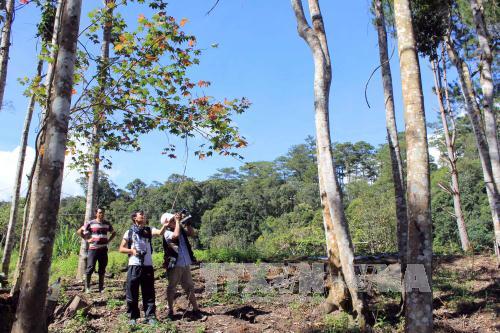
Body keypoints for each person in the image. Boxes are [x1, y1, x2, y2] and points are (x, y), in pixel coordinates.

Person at [119, 210, 167, 325]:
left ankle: (150, 316)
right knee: (132, 291)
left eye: (144, 215)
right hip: (134, 265)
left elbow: (160, 232)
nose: (144, 216)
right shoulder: (129, 232)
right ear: (135, 218)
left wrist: (164, 225)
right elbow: (121, 248)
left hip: (147, 266)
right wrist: (131, 250)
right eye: (141, 215)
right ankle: (132, 317)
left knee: (149, 292)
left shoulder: (149, 230)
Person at [161, 211, 204, 320]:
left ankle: (196, 309)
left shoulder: (179, 228)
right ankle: (170, 311)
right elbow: (175, 236)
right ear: (166, 223)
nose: (174, 221)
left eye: (173, 219)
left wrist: (188, 223)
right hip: (175, 264)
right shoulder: (167, 232)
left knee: (189, 287)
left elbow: (191, 233)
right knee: (172, 288)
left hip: (185, 263)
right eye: (171, 220)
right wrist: (177, 221)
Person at [77, 207, 116, 293]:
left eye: (103, 213)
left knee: (102, 268)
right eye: (100, 212)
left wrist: (108, 240)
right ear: (96, 214)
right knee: (90, 268)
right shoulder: (90, 223)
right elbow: (79, 231)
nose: (102, 214)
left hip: (103, 249)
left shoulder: (107, 223)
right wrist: (87, 240)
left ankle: (101, 288)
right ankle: (87, 287)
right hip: (93, 249)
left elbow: (114, 232)